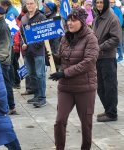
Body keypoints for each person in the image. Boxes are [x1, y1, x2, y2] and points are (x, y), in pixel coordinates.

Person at [49, 7, 99, 150]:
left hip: (85, 87)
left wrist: (64, 73)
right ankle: (59, 147)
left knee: (86, 123)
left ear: (82, 21)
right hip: (66, 88)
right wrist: (51, 58)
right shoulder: (65, 37)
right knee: (59, 121)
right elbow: (62, 59)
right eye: (68, 20)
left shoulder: (91, 38)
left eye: (74, 20)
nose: (69, 23)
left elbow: (88, 62)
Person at [92, 0, 121, 122]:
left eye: (101, 2)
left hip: (107, 57)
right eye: (97, 2)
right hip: (98, 57)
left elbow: (116, 39)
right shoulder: (98, 17)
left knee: (110, 86)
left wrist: (100, 46)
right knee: (101, 87)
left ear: (106, 3)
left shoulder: (112, 18)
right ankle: (108, 110)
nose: (99, 5)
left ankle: (112, 113)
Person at [0, 5, 18, 115]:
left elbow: (5, 45)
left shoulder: (2, 26)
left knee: (6, 84)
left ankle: (11, 106)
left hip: (2, 61)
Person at [21, 0, 47, 108]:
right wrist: (23, 44)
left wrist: (35, 44)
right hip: (27, 52)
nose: (29, 5)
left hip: (38, 51)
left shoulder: (41, 17)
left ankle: (42, 98)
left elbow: (45, 32)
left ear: (36, 4)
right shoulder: (24, 18)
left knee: (40, 74)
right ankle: (36, 95)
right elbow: (21, 33)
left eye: (31, 3)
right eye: (27, 4)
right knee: (31, 74)